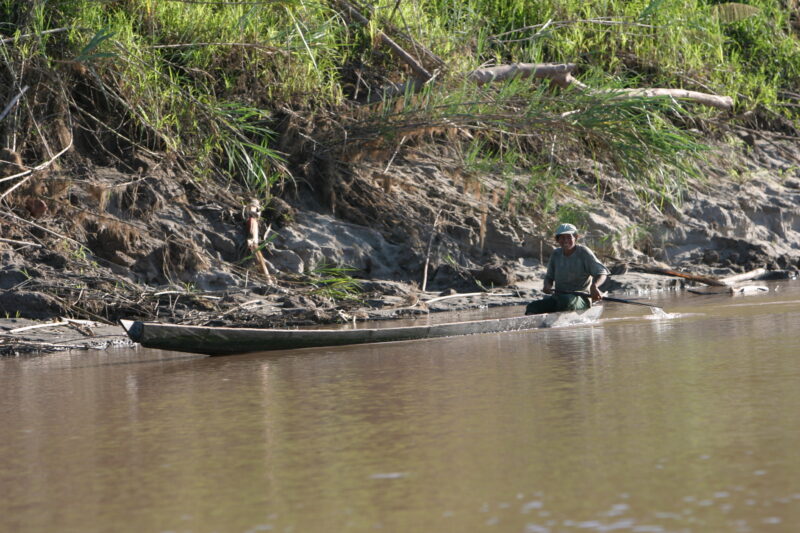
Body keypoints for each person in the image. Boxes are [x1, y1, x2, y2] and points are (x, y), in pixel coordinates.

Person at [525, 223, 609, 315]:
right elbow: (549, 277)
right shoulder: (556, 254)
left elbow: (602, 273)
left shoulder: (584, 252)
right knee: (532, 306)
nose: (565, 241)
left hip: (581, 299)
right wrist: (547, 285)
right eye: (562, 237)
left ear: (575, 237)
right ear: (557, 239)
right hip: (559, 298)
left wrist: (594, 286)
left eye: (569, 237)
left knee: (566, 301)